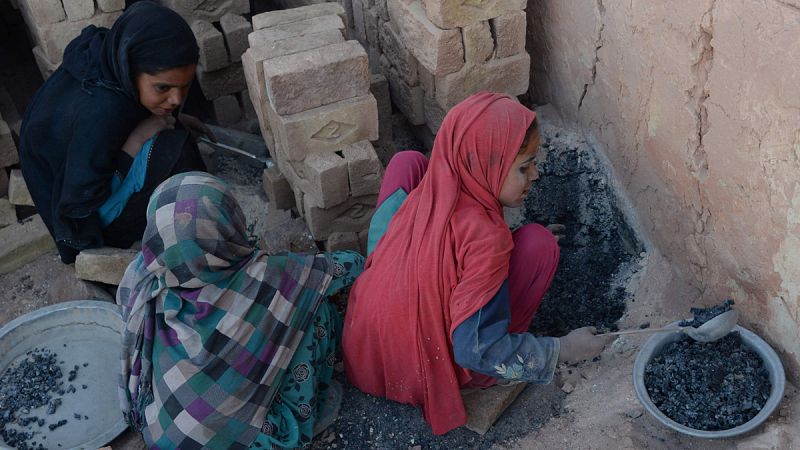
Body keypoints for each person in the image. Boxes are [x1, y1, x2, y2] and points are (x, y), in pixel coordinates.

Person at [342, 92, 614, 435]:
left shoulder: (438, 183)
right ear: (487, 167)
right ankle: (477, 380)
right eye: (523, 167)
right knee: (539, 246)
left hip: (362, 348)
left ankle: (390, 275)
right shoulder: (487, 240)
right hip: (417, 371)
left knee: (408, 163)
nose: (535, 175)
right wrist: (563, 350)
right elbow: (476, 351)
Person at [117, 172, 365, 449]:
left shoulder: (144, 276)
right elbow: (350, 265)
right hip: (239, 442)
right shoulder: (267, 277)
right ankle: (299, 417)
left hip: (165, 437)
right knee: (313, 304)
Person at [19, 1, 209, 264]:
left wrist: (171, 117)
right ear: (131, 69)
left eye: (184, 86)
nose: (176, 99)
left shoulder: (112, 53)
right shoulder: (101, 113)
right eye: (163, 88)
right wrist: (137, 139)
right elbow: (79, 204)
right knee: (176, 151)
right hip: (81, 218)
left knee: (172, 132)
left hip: (82, 162)